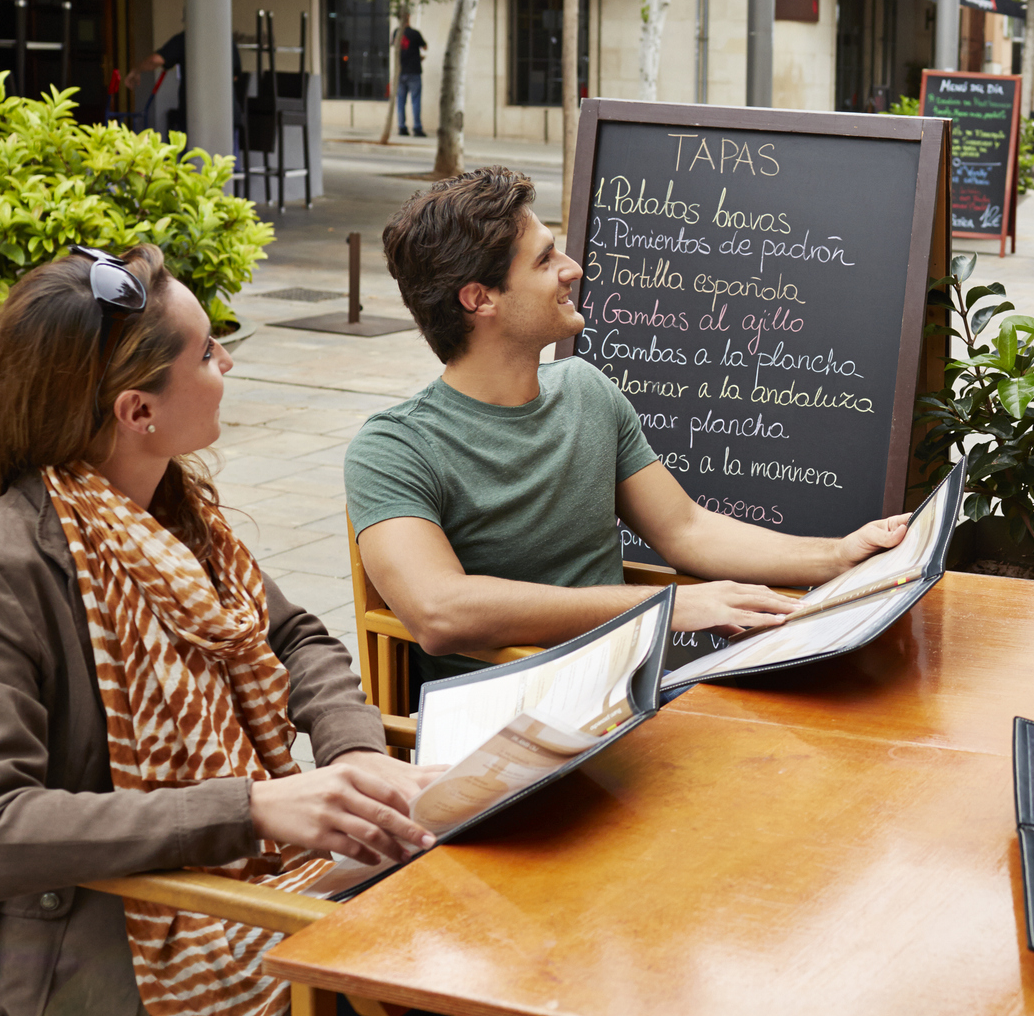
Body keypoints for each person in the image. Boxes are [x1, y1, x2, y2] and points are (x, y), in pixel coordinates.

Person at [0, 244, 620, 1016]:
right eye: (209, 353)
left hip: (272, 904)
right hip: (130, 1002)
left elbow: (293, 635)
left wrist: (356, 752)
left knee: (556, 945)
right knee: (562, 1011)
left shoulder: (173, 514)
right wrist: (252, 805)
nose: (230, 365)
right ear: (138, 410)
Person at [345, 167, 911, 692]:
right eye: (544, 261)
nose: (573, 268)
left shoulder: (586, 390)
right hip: (504, 727)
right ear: (480, 298)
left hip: (627, 695)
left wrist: (837, 557)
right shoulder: (393, 449)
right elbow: (440, 613)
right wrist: (658, 608)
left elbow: (686, 530)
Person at [396, 14, 428, 137]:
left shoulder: (396, 34)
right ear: (408, 17)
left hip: (401, 72)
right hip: (413, 72)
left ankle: (401, 127)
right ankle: (417, 127)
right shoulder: (415, 33)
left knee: (401, 101)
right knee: (415, 101)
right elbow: (425, 47)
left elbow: (398, 49)